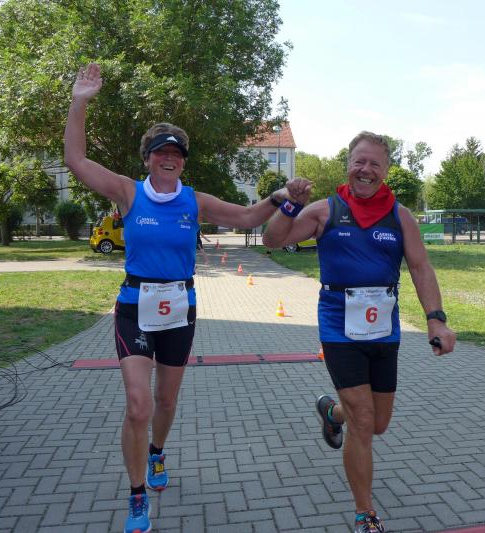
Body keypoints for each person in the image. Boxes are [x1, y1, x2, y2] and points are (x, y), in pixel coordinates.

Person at [64, 63, 311, 533]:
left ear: (183, 161)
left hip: (180, 307)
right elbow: (76, 159)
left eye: (176, 152)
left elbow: (246, 218)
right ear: (148, 158)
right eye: (161, 151)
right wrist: (80, 101)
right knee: (138, 404)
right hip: (135, 306)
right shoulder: (128, 193)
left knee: (165, 401)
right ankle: (137, 495)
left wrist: (281, 195)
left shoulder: (194, 201)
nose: (169, 158)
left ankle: (157, 453)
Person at [263, 131, 456, 533]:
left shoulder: (400, 216)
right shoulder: (324, 210)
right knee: (364, 420)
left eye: (374, 164)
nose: (365, 170)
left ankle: (332, 413)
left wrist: (436, 318)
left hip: (384, 330)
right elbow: (272, 239)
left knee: (377, 422)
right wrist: (290, 204)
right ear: (348, 164)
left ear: (386, 170)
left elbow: (420, 267)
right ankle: (365, 513)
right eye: (359, 161)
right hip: (339, 327)